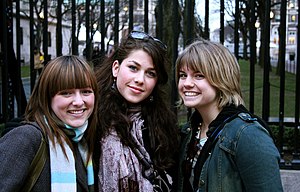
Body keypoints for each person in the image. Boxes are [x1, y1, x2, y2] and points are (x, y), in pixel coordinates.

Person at [175, 39, 283, 191]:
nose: (186, 83)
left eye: (198, 76)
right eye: (182, 75)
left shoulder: (249, 136)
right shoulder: (189, 132)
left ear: (221, 78)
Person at [94, 30, 179, 191]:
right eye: (133, 68)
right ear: (116, 68)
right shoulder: (92, 118)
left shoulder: (162, 125)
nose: (140, 80)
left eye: (150, 73)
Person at [0, 55, 99, 191]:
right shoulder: (26, 139)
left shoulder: (83, 142)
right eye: (66, 93)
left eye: (86, 92)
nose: (78, 102)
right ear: (47, 98)